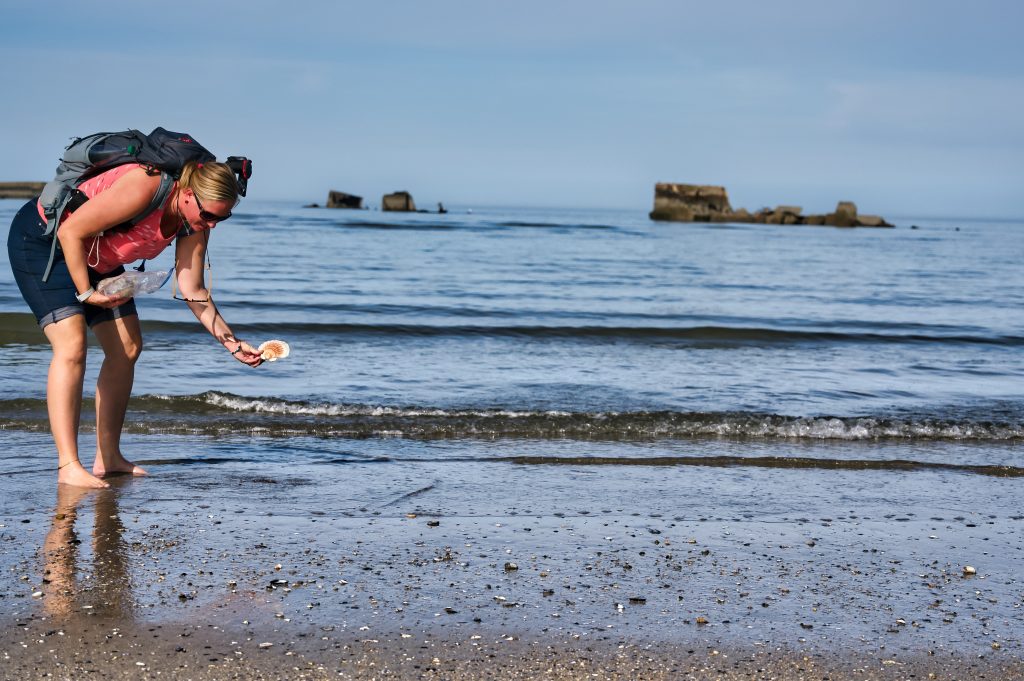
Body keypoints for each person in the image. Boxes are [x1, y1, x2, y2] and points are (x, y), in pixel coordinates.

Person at [7, 159, 264, 489]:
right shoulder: (145, 186)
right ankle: (68, 465)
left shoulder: (194, 222)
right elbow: (70, 231)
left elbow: (193, 289)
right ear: (187, 194)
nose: (212, 225)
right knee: (72, 347)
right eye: (210, 215)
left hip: (99, 254)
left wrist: (231, 342)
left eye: (221, 218)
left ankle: (109, 457)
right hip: (47, 243)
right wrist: (85, 294)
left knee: (127, 347)